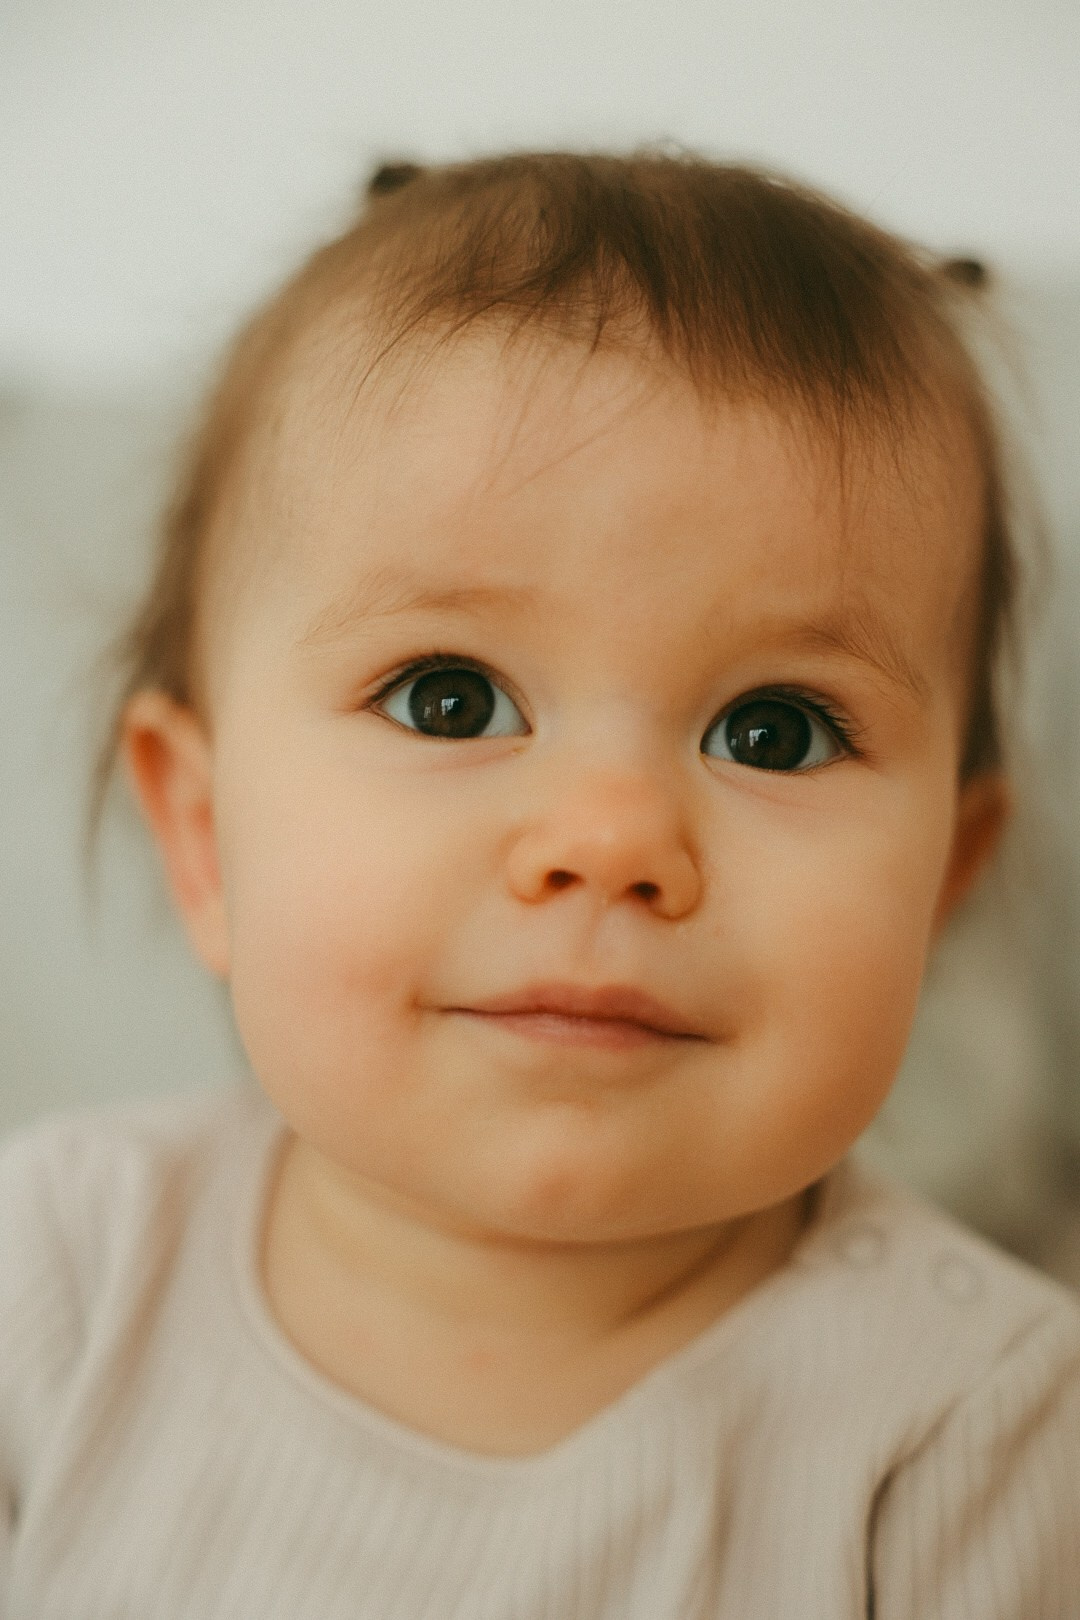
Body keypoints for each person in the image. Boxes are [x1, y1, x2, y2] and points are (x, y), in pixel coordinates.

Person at [2, 152, 1078, 1619]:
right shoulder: (56, 1275)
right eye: (448, 699)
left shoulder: (982, 1422)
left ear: (941, 886)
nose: (612, 837)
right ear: (203, 836)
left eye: (776, 730)